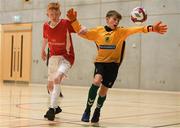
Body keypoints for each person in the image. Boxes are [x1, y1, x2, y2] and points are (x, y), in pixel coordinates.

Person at [66, 8, 168, 123]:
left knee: (103, 92)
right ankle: (87, 110)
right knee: (96, 81)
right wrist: (74, 20)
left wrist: (151, 28)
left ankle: (97, 110)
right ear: (107, 19)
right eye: (114, 19)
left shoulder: (121, 32)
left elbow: (136, 29)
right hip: (100, 63)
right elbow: (82, 32)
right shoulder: (98, 31)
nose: (116, 22)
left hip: (113, 65)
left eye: (118, 21)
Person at [41, 2, 75, 121]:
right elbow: (45, 38)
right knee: (50, 85)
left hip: (66, 57)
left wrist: (76, 21)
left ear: (60, 14)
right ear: (48, 15)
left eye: (56, 14)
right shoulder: (45, 26)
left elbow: (78, 29)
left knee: (56, 79)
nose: (54, 16)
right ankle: (56, 107)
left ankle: (51, 109)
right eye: (51, 14)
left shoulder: (66, 23)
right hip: (53, 57)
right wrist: (43, 50)